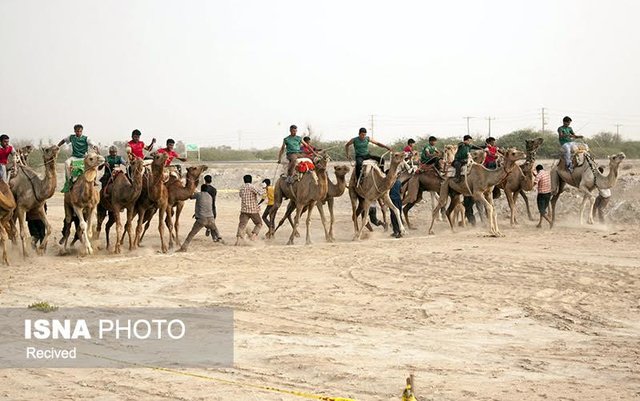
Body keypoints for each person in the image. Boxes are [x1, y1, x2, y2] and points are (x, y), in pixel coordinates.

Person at [178, 185, 222, 251]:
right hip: (211, 218)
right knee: (215, 229)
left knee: (192, 234)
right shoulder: (210, 196)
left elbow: (191, 197)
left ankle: (184, 247)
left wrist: (192, 190)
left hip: (202, 219)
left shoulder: (199, 195)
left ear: (201, 189)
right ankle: (219, 238)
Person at [235, 175, 265, 244]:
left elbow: (240, 195)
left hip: (244, 210)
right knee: (259, 223)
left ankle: (238, 240)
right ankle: (253, 237)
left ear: (244, 180)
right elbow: (260, 193)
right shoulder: (252, 187)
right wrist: (264, 188)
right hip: (253, 210)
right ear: (251, 180)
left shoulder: (242, 188)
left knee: (241, 225)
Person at [201, 174, 219, 239]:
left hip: (206, 208)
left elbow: (202, 198)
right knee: (212, 222)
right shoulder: (214, 189)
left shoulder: (204, 189)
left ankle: (208, 228)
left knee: (204, 221)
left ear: (204, 180)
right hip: (213, 207)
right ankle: (214, 237)